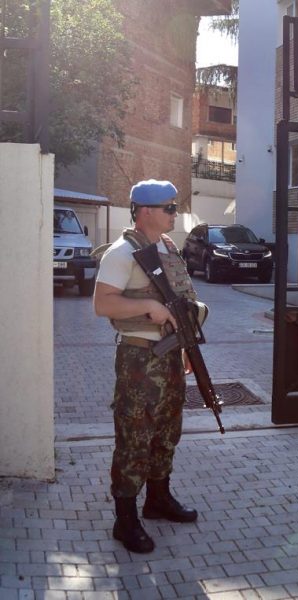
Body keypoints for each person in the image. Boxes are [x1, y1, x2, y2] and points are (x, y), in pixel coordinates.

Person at [93, 179, 201, 553]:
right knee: (134, 435)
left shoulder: (167, 248)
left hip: (169, 353)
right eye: (169, 208)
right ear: (145, 212)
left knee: (167, 429)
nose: (175, 214)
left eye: (175, 207)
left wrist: (184, 348)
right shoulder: (122, 253)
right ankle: (125, 520)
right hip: (138, 359)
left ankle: (158, 499)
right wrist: (148, 307)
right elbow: (102, 304)